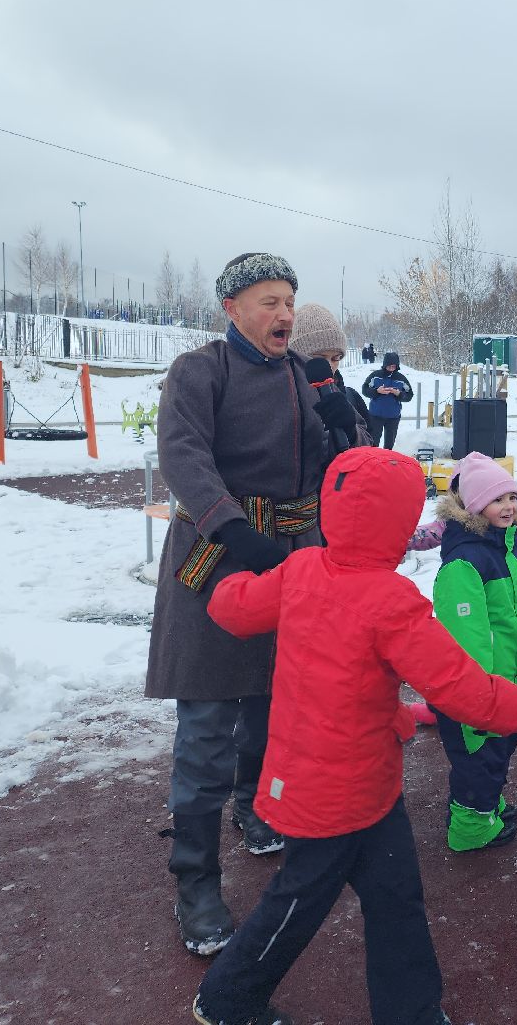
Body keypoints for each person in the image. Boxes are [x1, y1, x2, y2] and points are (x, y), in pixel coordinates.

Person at [192, 446, 517, 1025]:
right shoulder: (390, 600)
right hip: (338, 792)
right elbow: (458, 686)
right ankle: (227, 996)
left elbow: (235, 609)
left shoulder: (303, 568)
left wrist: (227, 575)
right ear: (400, 525)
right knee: (299, 898)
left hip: (356, 781)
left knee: (396, 898)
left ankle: (411, 1011)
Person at [147, 252, 353, 957]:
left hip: (290, 565)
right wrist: (234, 527)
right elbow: (183, 455)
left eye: (290, 301)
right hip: (217, 561)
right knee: (207, 729)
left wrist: (345, 425)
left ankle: (255, 808)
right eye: (269, 301)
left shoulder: (304, 374)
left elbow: (336, 468)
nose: (285, 315)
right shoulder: (199, 371)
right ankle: (195, 882)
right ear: (231, 308)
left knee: (273, 709)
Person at [428, 453, 517, 851]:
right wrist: (478, 700)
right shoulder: (465, 563)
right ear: (475, 505)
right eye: (498, 499)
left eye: (512, 496)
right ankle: (470, 830)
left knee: (495, 759)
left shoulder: (511, 550)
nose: (509, 506)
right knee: (477, 764)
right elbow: (466, 644)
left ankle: (486, 806)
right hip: (478, 696)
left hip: (507, 685)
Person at [290, 302, 371, 437]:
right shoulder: (278, 397)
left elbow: (370, 449)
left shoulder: (351, 398)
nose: (329, 365)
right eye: (319, 358)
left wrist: (351, 432)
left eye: (336, 358)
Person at [362, 351, 414, 449]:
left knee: (389, 445)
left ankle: (387, 462)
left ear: (397, 366)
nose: (391, 369)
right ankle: (373, 462)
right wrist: (377, 391)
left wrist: (398, 394)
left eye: (393, 367)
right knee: (373, 443)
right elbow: (365, 390)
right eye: (389, 366)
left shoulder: (401, 378)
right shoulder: (375, 375)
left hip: (393, 417)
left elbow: (409, 395)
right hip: (375, 415)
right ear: (384, 365)